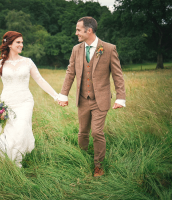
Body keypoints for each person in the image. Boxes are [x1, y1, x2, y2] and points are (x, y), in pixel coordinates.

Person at [58, 17, 126, 177]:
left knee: (96, 132)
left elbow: (118, 75)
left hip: (100, 100)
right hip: (82, 99)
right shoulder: (76, 49)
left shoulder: (108, 49)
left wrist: (120, 97)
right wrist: (63, 94)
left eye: (78, 30)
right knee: (82, 132)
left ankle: (99, 165)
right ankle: (81, 157)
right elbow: (70, 72)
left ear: (89, 30)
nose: (76, 33)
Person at [0, 31, 59, 168]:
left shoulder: (27, 62)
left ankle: (17, 163)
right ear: (9, 44)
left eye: (22, 42)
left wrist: (55, 96)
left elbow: (40, 80)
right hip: (7, 103)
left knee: (20, 129)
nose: (22, 45)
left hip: (25, 102)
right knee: (9, 132)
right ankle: (8, 161)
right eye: (18, 42)